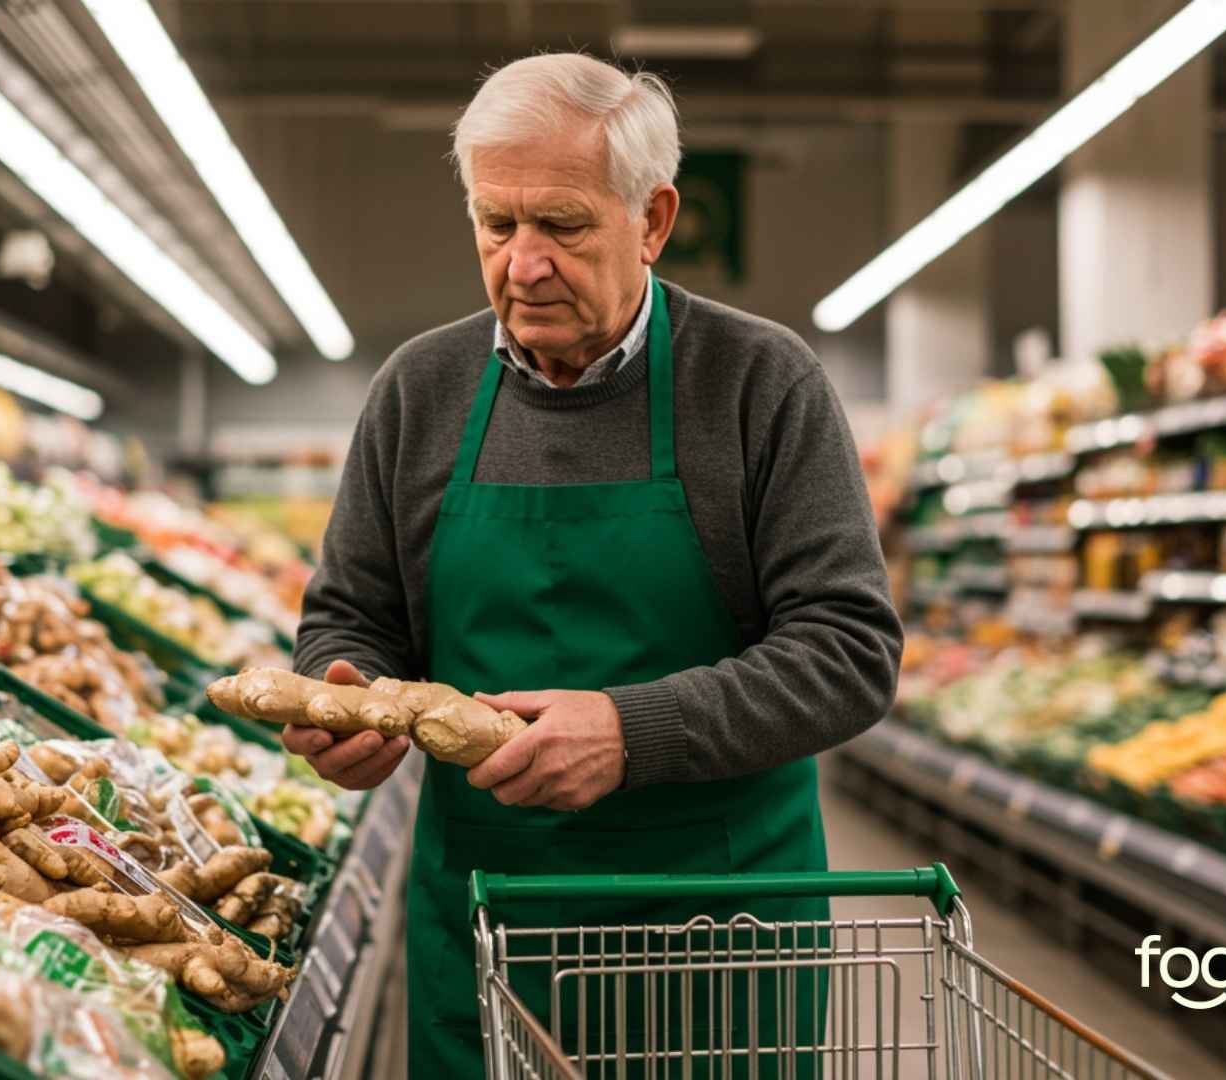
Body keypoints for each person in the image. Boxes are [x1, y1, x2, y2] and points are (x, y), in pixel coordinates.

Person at [287, 52, 903, 1077]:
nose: (522, 265)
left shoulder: (760, 384)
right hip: (492, 928)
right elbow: (350, 614)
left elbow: (848, 653)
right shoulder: (418, 393)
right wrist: (335, 692)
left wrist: (629, 731)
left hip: (719, 942)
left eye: (562, 227)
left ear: (653, 220)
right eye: (496, 224)